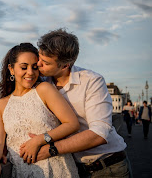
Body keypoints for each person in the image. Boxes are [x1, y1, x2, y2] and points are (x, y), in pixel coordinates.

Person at [26, 29, 131, 177]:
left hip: (107, 167)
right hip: (72, 169)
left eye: (46, 62)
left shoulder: (92, 81)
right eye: (39, 58)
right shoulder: (42, 82)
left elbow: (99, 133)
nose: (38, 64)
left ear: (65, 65)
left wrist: (51, 149)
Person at [0, 43, 80, 177]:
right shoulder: (1, 104)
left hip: (55, 169)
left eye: (35, 67)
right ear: (11, 69)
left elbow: (72, 124)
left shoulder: (44, 89)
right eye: (24, 67)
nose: (30, 72)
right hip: (22, 172)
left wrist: (40, 140)